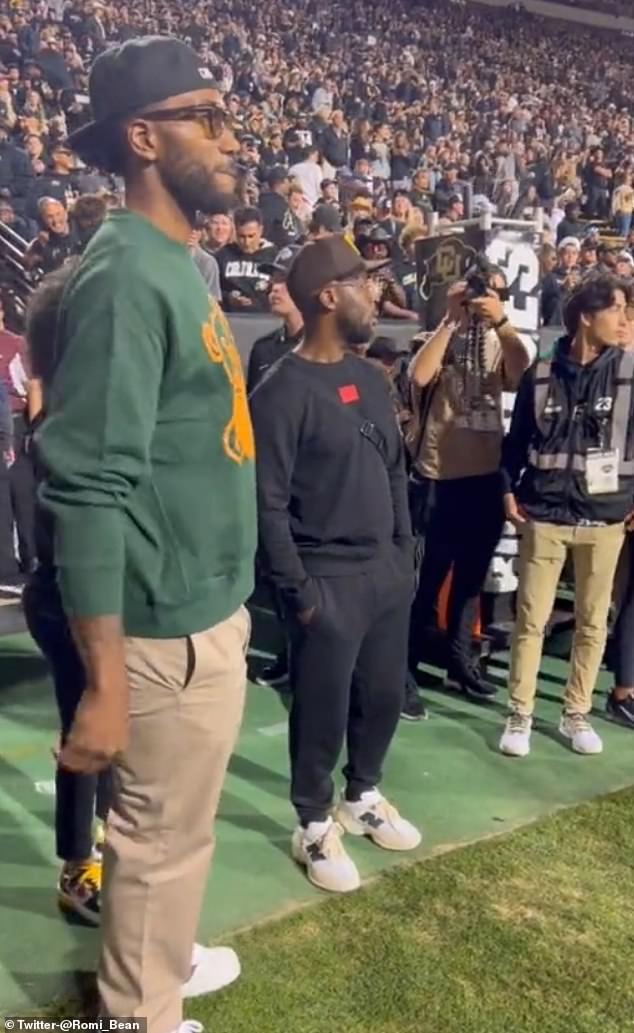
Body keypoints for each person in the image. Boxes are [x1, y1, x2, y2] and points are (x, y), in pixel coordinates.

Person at [35, 36, 256, 1031]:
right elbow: (83, 485)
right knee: (158, 837)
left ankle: (159, 961)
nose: (230, 137)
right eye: (205, 116)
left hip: (204, 603)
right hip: (163, 627)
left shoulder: (175, 259)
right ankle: (138, 1012)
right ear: (142, 137)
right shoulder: (125, 274)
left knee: (180, 832)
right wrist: (109, 681)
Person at [250, 236, 421, 895]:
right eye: (362, 282)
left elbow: (396, 472)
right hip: (324, 579)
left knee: (382, 697)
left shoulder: (369, 378)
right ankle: (313, 821)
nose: (374, 294)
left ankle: (364, 794)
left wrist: (403, 555)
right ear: (328, 296)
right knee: (319, 710)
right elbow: (265, 505)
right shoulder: (279, 391)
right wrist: (300, 591)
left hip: (383, 573)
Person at [500, 274, 634, 758]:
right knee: (530, 620)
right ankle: (520, 714)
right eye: (616, 308)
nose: (624, 319)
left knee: (593, 622)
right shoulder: (539, 375)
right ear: (586, 316)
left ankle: (575, 713)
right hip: (545, 516)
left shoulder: (630, 372)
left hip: (606, 519)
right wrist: (506, 489)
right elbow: (516, 443)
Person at [404, 265, 530, 717]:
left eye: (492, 292)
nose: (482, 299)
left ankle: (461, 662)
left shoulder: (500, 341)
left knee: (471, 580)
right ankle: (406, 667)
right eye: (476, 292)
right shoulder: (434, 336)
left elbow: (522, 371)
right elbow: (418, 377)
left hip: (484, 476)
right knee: (428, 577)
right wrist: (451, 318)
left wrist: (498, 320)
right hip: (439, 475)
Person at [246, 245, 303, 394]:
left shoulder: (322, 349)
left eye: (283, 279)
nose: (275, 288)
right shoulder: (262, 348)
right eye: (273, 280)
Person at [216, 205, 277, 312]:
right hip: (231, 317)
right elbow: (213, 290)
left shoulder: (274, 256)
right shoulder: (223, 255)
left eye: (251, 236)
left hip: (265, 319)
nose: (246, 242)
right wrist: (229, 298)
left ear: (260, 230)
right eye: (241, 236)